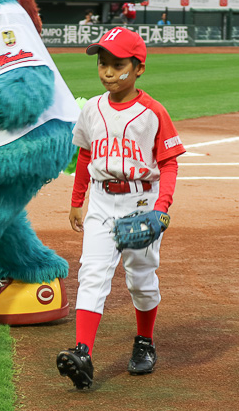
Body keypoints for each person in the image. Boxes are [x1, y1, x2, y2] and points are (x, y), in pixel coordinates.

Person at [57, 28, 185, 390]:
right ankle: (83, 353)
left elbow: (169, 163)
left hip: (141, 202)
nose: (108, 72)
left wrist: (161, 208)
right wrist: (77, 200)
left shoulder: (153, 112)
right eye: (103, 64)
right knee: (92, 273)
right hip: (101, 200)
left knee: (140, 279)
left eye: (117, 64)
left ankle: (145, 341)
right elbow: (85, 156)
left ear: (138, 67)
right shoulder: (92, 109)